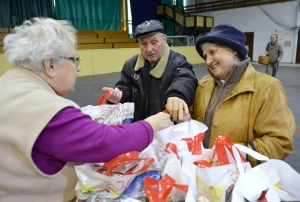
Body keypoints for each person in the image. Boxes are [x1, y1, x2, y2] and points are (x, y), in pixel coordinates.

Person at [0, 17, 173, 202]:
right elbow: (104, 142)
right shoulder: (47, 108)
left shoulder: (8, 83)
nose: (79, 67)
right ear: (50, 65)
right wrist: (151, 125)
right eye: (74, 59)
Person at [191, 23, 296, 166]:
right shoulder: (204, 84)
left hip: (240, 180)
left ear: (233, 50)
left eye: (213, 52)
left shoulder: (268, 88)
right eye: (205, 56)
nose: (208, 61)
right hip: (203, 173)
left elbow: (280, 142)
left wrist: (234, 153)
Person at [102, 20, 198, 122]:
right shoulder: (130, 65)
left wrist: (177, 95)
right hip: (141, 129)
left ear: (164, 39)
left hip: (166, 130)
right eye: (144, 44)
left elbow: (185, 78)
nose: (149, 49)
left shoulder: (178, 62)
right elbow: (126, 88)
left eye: (154, 42)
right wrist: (119, 96)